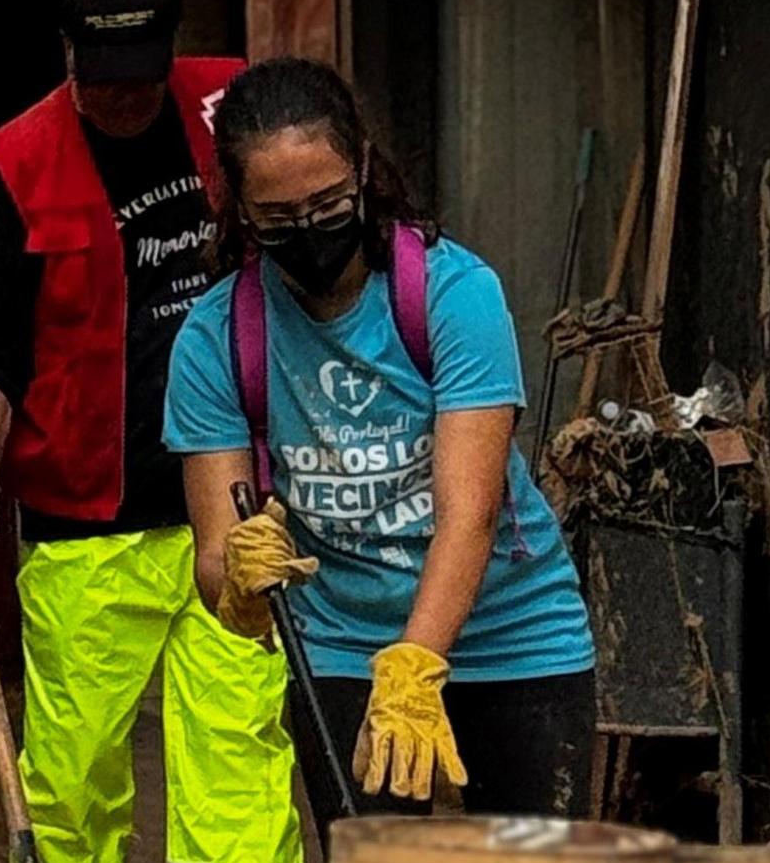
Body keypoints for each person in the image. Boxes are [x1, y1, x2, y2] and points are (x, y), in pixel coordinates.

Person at [0, 0, 302, 863]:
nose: (126, 100)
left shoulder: (236, 105)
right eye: (104, 79)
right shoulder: (17, 170)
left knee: (236, 752)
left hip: (236, 507)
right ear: (69, 60)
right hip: (89, 523)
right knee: (72, 780)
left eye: (143, 77)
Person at [170, 57, 596, 819]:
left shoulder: (453, 294)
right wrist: (234, 581)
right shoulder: (214, 340)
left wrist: (418, 662)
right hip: (340, 649)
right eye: (278, 215)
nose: (308, 228)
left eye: (327, 200)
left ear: (363, 167)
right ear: (236, 205)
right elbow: (214, 549)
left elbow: (469, 514)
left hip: (514, 636)